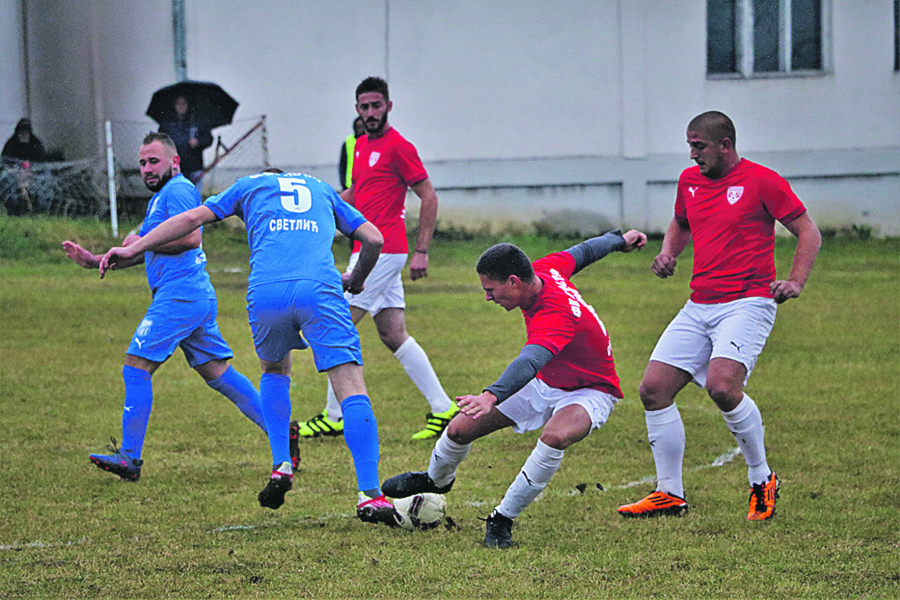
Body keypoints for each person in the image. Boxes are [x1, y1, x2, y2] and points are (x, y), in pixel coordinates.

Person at [98, 168, 401, 525]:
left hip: (267, 291)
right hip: (320, 289)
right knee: (350, 386)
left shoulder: (249, 186)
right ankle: (369, 494)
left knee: (274, 371)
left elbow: (193, 219)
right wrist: (356, 280)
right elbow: (375, 239)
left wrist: (134, 246)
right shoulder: (321, 189)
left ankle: (280, 466)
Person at [382, 229, 649, 548]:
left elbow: (530, 360)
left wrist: (491, 395)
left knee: (555, 436)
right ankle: (435, 481)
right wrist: (619, 239)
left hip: (591, 389)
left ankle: (501, 519)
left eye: (491, 289)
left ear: (514, 281)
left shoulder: (555, 314)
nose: (488, 297)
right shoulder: (544, 269)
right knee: (458, 430)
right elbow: (585, 251)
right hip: (545, 381)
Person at [617, 111, 821, 522]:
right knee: (653, 390)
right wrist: (668, 253)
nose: (693, 154)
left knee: (723, 388)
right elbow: (680, 222)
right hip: (700, 304)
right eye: (690, 146)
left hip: (748, 302)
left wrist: (795, 281)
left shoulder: (762, 180)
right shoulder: (689, 182)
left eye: (699, 146)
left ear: (724, 145)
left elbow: (807, 231)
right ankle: (669, 494)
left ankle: (762, 478)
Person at [62, 132, 271, 483]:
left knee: (136, 366)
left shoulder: (178, 190)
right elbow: (144, 250)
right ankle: (283, 433)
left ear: (174, 162)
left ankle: (130, 457)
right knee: (218, 374)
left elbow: (191, 237)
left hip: (180, 295)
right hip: (191, 295)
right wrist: (95, 260)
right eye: (142, 163)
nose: (146, 168)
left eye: (153, 161)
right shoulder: (161, 198)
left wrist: (139, 242)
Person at [294, 76, 456, 442]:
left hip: (384, 250)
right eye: (364, 107)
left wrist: (422, 250)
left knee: (336, 322)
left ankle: (335, 415)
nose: (370, 113)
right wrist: (320, 208)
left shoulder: (399, 147)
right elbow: (357, 192)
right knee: (393, 334)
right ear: (357, 110)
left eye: (376, 106)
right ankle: (443, 407)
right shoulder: (361, 146)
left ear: (388, 106)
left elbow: (428, 196)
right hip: (367, 248)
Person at [158, 96, 213, 184]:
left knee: (193, 195)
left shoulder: (197, 121)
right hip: (173, 168)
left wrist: (198, 142)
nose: (181, 106)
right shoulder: (167, 123)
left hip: (194, 167)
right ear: (174, 105)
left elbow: (208, 139)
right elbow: (160, 141)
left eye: (184, 103)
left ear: (188, 105)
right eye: (178, 104)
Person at [338, 117, 366, 192]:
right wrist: (343, 183)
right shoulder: (348, 143)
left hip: (366, 186)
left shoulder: (371, 141)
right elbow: (342, 165)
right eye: (357, 126)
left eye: (361, 126)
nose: (359, 129)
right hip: (349, 186)